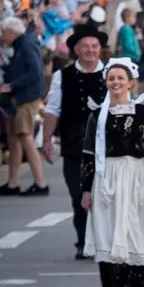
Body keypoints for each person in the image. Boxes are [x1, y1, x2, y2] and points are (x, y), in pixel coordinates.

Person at [80, 58, 144, 287]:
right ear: (106, 82)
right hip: (107, 177)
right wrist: (85, 189)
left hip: (137, 176)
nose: (116, 82)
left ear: (131, 83)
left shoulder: (142, 112)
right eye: (111, 79)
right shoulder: (97, 115)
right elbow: (89, 153)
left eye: (120, 78)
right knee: (111, 232)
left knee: (136, 231)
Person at [42, 24, 108, 258]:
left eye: (94, 46)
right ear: (76, 50)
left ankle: (102, 239)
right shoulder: (63, 76)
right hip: (74, 144)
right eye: (85, 46)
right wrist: (47, 139)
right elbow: (53, 109)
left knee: (104, 195)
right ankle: (83, 240)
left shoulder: (112, 73)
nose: (90, 50)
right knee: (79, 194)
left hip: (106, 146)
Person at [0, 16, 49, 196]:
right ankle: (13, 182)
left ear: (11, 32)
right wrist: (3, 67)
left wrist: (12, 85)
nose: (2, 37)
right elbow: (22, 70)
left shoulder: (25, 44)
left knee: (25, 136)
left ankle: (40, 182)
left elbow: (34, 71)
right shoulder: (23, 43)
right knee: (14, 138)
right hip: (22, 96)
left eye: (3, 34)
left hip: (26, 97)